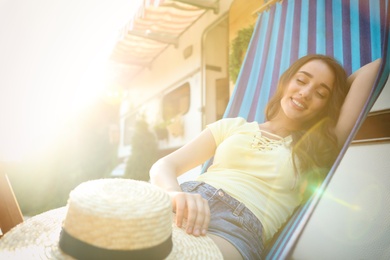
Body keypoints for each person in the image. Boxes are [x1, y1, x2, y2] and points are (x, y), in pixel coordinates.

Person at [150, 54, 381, 259]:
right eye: (301, 80)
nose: (305, 92)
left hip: (235, 228)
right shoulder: (233, 126)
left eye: (321, 93)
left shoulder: (319, 148)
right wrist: (174, 194)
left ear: (327, 104)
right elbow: (165, 164)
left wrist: (336, 96)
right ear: (285, 82)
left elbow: (373, 70)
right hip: (186, 200)